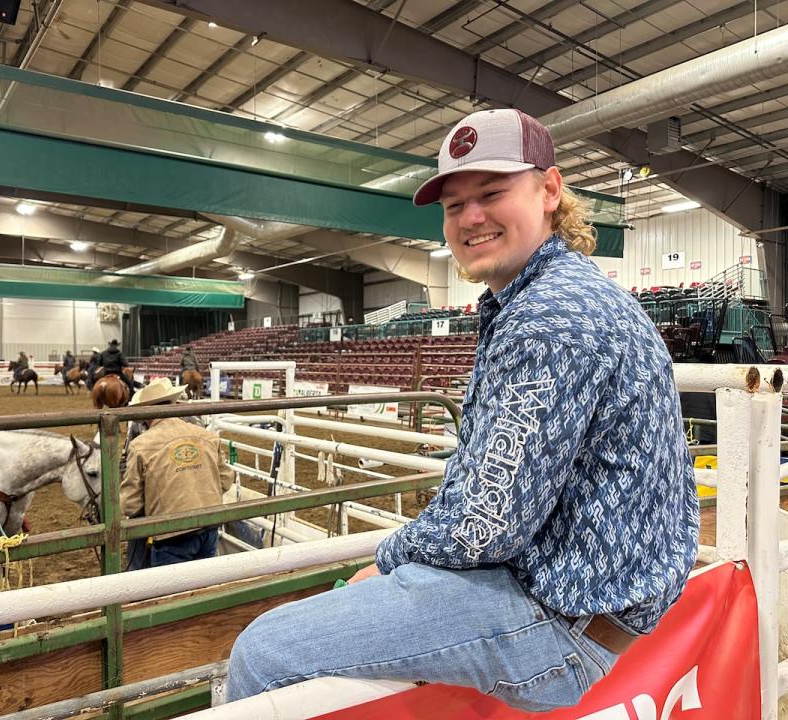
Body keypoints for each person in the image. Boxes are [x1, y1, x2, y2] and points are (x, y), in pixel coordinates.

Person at [226, 108, 699, 709]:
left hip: (560, 622)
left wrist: (390, 559)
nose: (471, 217)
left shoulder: (550, 318)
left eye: (493, 193)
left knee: (266, 651)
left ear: (550, 190)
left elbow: (487, 523)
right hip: (589, 596)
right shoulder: (563, 295)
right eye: (455, 206)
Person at [121, 377, 232, 570]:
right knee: (203, 582)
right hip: (209, 524)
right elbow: (226, 479)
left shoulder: (140, 445)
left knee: (172, 592)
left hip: (171, 534)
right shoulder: (207, 436)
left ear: (146, 411)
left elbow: (130, 504)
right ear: (172, 403)